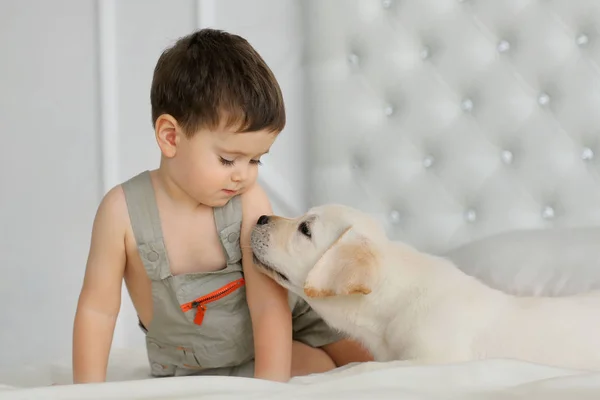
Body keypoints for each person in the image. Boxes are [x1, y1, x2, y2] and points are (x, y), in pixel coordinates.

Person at [72, 28, 372, 384]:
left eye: (256, 161)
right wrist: (86, 391)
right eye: (229, 160)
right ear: (171, 137)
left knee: (370, 364)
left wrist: (269, 388)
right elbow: (97, 310)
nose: (243, 176)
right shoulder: (120, 212)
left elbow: (268, 307)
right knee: (319, 368)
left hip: (284, 319)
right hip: (193, 362)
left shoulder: (247, 202)